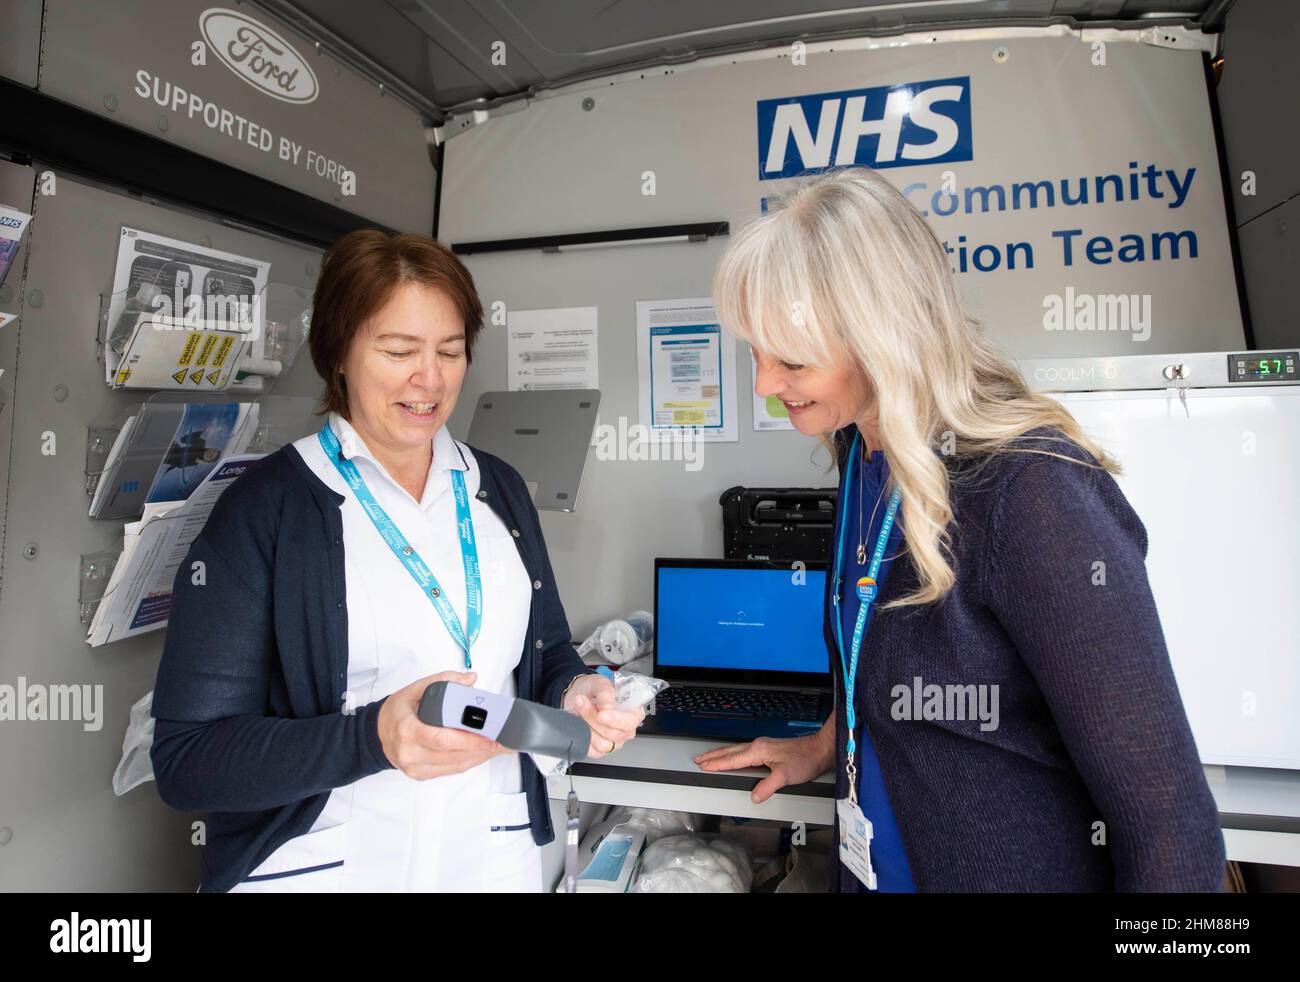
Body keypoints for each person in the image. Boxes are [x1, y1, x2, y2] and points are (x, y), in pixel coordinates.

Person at [696, 167, 1225, 892]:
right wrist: (826, 744)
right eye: (753, 351)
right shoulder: (863, 450)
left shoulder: (1030, 491)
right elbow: (874, 662)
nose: (762, 383)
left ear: (883, 339)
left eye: (790, 359)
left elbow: (1170, 822)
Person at [151, 230, 643, 892]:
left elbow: (547, 650)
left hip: (491, 860)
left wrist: (573, 693)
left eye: (449, 350)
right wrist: (371, 740)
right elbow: (189, 762)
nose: (431, 379)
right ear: (339, 355)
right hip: (328, 869)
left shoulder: (496, 487)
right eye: (399, 350)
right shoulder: (267, 509)